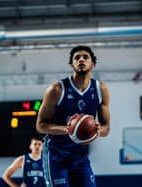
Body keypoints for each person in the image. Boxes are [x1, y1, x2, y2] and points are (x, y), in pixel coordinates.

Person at [36, 45, 110, 187]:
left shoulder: (101, 90)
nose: (81, 59)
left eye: (85, 57)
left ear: (93, 64)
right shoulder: (56, 90)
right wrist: (69, 129)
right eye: (77, 58)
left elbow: (106, 128)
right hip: (56, 154)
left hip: (80, 156)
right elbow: (40, 126)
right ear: (72, 65)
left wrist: (98, 131)